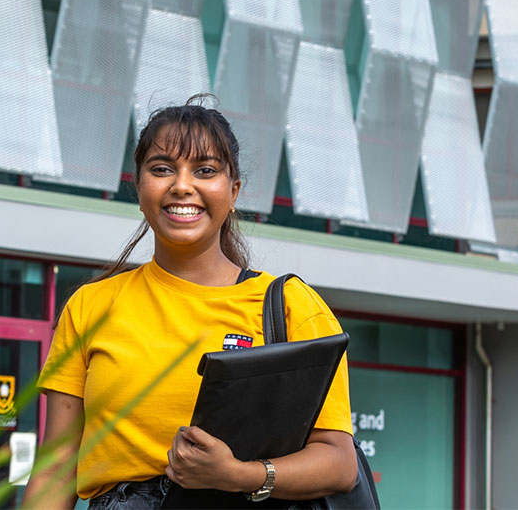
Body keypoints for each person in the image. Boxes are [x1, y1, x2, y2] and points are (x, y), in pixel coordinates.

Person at [22, 96, 357, 509]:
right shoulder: (90, 306)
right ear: (139, 186)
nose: (182, 185)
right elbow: (57, 467)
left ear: (233, 192)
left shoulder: (290, 305)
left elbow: (339, 463)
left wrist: (240, 475)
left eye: (205, 170)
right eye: (162, 169)